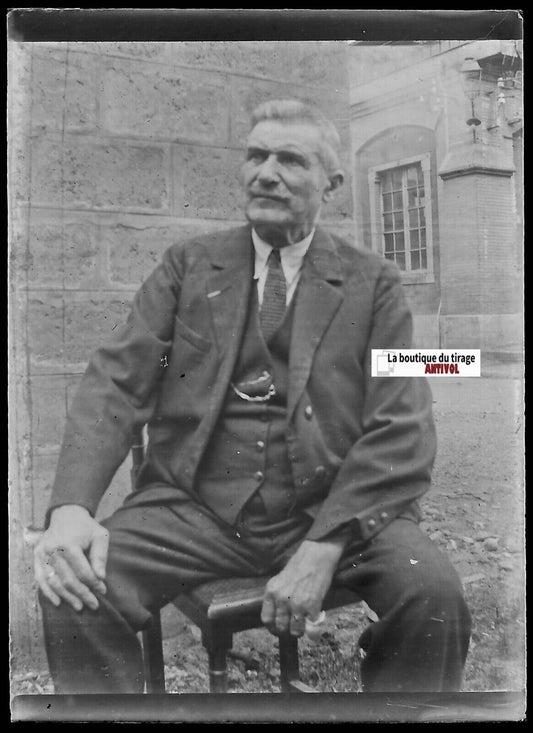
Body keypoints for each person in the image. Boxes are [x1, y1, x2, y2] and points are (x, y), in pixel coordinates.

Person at [34, 99, 471, 694]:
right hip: (196, 510)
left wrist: (323, 547)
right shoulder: (188, 267)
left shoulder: (377, 285)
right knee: (73, 583)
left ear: (331, 185)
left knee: (435, 597)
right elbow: (115, 380)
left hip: (334, 510)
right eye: (256, 155)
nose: (266, 172)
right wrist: (70, 511)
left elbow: (404, 426)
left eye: (290, 159)